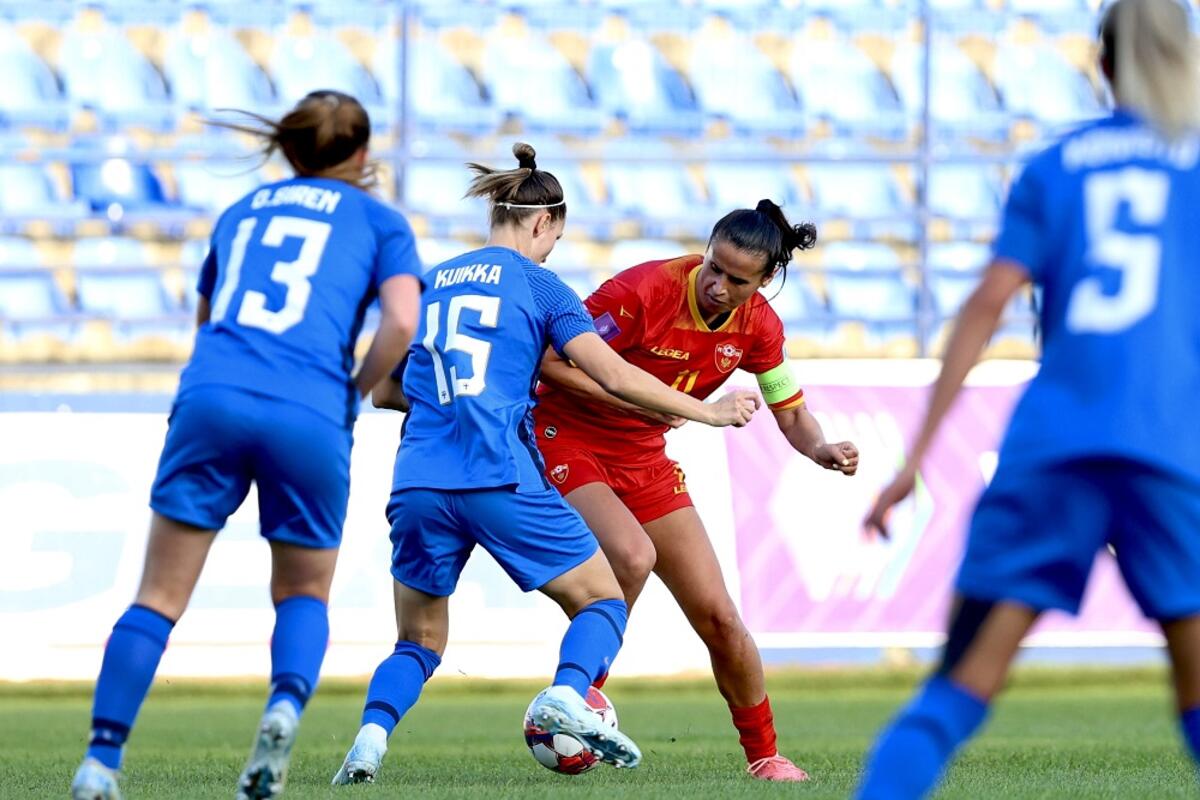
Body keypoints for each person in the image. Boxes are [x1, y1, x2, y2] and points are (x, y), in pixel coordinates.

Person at [331, 143, 760, 784]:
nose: (552, 248)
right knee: (604, 600)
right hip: (495, 474)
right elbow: (613, 374)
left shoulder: (429, 283)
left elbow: (387, 391)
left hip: (418, 480)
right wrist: (707, 412)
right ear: (543, 222)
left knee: (418, 641)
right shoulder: (541, 285)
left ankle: (369, 740)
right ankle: (566, 695)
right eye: (555, 236)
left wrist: (456, 395)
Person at [856, 1, 1200, 797]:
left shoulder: (1057, 166)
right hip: (1168, 449)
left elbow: (986, 305)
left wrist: (913, 460)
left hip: (1053, 448)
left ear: (1103, 65)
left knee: (956, 691)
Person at [70, 91, 423, 800]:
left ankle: (100, 763)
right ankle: (283, 708)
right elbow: (401, 323)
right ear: (362, 153)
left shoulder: (242, 211)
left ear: (288, 149)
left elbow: (207, 317)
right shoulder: (380, 220)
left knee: (157, 596)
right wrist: (354, 390)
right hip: (309, 407)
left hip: (213, 394)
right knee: (302, 592)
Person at [532, 199, 860, 782]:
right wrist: (644, 403)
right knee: (632, 556)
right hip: (568, 438)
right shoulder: (642, 291)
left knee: (720, 616)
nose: (717, 285)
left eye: (737, 280)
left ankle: (765, 755)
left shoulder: (760, 326)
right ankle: (574, 698)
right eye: (714, 268)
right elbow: (553, 363)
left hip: (644, 458)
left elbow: (791, 412)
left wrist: (821, 449)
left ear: (765, 282)